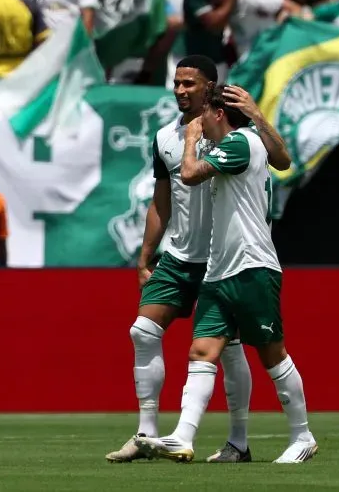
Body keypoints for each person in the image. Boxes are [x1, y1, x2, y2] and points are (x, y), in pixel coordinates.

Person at [106, 58, 291, 464]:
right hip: (179, 254)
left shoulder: (228, 131)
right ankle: (146, 433)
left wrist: (258, 115)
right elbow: (162, 199)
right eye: (176, 83)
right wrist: (144, 255)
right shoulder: (165, 138)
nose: (180, 90)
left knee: (228, 351)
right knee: (142, 331)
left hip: (224, 257)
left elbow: (281, 160)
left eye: (189, 83)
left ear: (210, 88)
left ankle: (238, 440)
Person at [134, 84, 318, 465]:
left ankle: (302, 435)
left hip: (252, 264)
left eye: (204, 113)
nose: (196, 119)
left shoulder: (240, 143)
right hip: (219, 269)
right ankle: (183, 438)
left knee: (273, 355)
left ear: (218, 114)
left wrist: (190, 139)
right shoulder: (246, 143)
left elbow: (188, 173)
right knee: (202, 351)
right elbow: (280, 159)